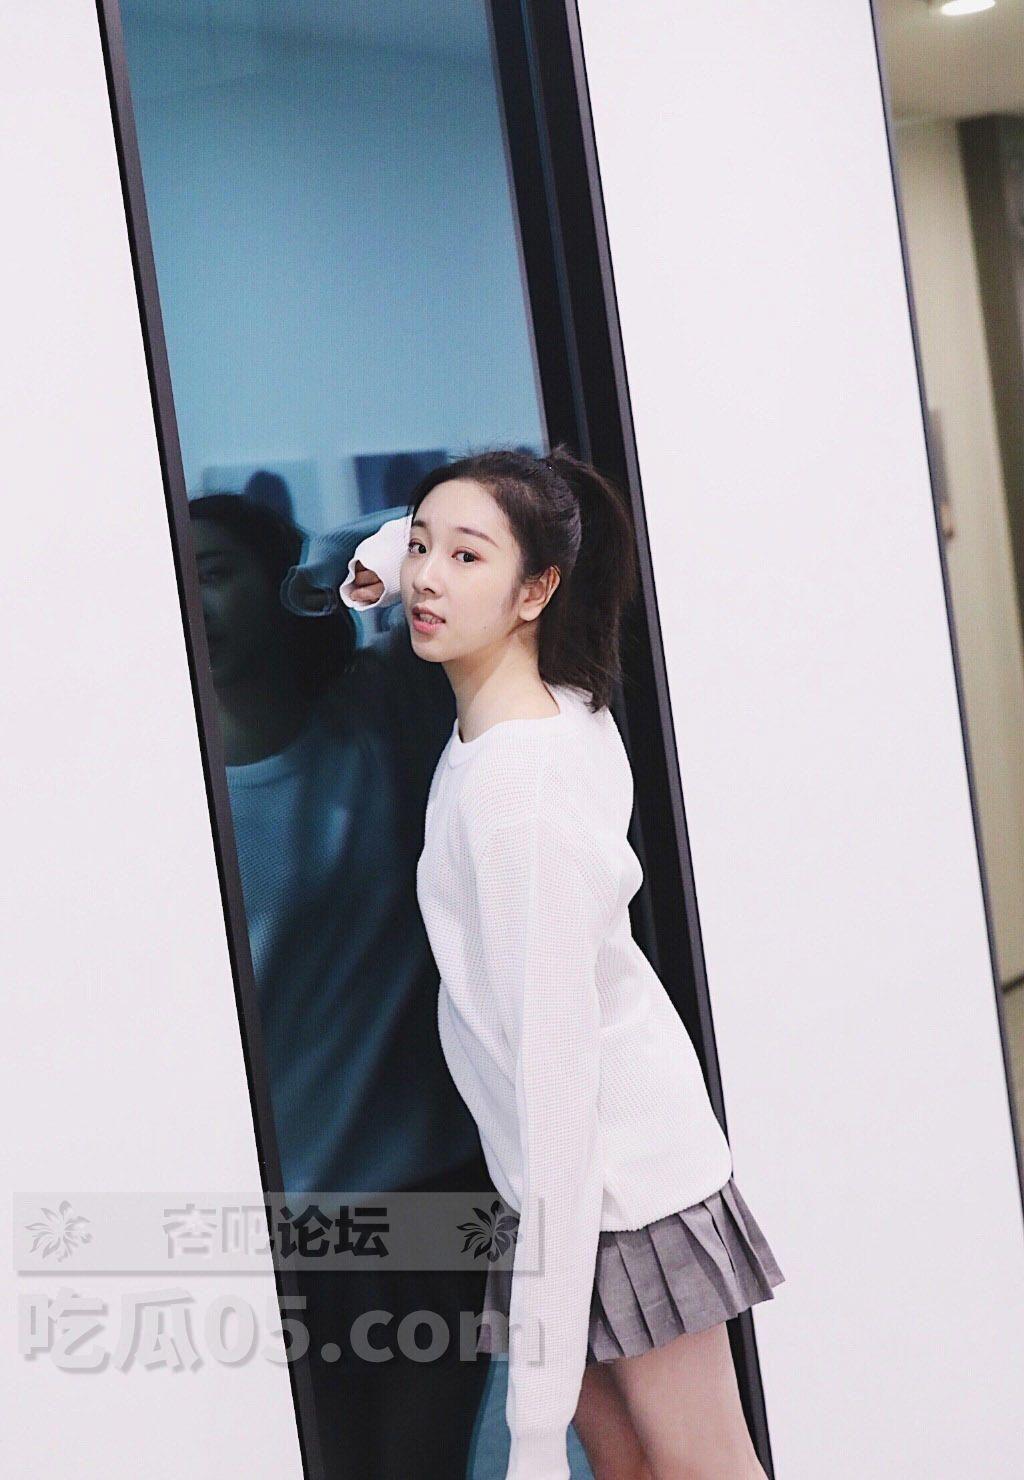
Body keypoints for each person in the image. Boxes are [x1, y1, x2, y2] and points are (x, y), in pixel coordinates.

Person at [342, 445, 785, 1480]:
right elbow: (465, 557)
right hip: (556, 1182)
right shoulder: (561, 700)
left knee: (705, 1471)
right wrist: (396, 555)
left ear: (538, 590)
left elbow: (559, 1097)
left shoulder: (516, 797)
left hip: (611, 1183)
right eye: (420, 548)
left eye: (464, 557)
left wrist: (533, 1431)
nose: (425, 578)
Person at [189, 494, 495, 1479]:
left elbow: (477, 525)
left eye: (217, 571)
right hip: (273, 1227)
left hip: (427, 1196)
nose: (196, 600)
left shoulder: (383, 710)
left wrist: (331, 572)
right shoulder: (166, 793)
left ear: (275, 585)